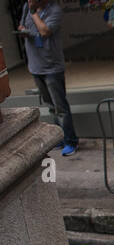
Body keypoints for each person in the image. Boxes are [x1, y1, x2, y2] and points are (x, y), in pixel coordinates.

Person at [18, 0, 78, 156]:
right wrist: (23, 30)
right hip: (35, 66)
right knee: (51, 106)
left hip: (52, 67)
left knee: (60, 107)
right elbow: (23, 26)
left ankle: (71, 141)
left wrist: (33, 12)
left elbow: (45, 31)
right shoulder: (27, 7)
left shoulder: (54, 10)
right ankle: (60, 136)